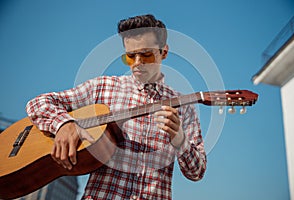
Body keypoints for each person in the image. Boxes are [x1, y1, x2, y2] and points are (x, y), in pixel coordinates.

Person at [26, 14, 207, 200]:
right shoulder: (102, 88)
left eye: (146, 54)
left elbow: (197, 171)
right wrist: (64, 124)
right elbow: (38, 103)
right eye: (130, 56)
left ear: (164, 52)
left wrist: (180, 139)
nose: (137, 63)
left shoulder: (184, 107)